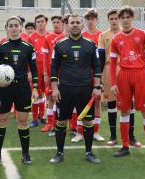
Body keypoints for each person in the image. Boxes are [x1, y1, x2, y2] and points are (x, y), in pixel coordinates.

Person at [110, 6, 145, 159]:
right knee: (125, 110)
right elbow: (113, 62)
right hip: (124, 76)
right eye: (123, 17)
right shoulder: (116, 39)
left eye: (128, 17)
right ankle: (125, 146)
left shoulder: (143, 35)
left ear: (132, 18)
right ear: (119, 20)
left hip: (140, 74)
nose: (125, 20)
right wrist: (112, 83)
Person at [49, 14, 102, 164]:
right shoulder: (59, 45)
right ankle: (59, 153)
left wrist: (97, 86)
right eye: (72, 23)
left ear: (82, 25)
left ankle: (89, 152)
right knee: (61, 121)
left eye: (78, 22)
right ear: (68, 25)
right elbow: (54, 68)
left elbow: (96, 66)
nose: (75, 25)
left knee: (87, 121)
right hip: (64, 89)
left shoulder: (91, 45)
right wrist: (54, 88)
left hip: (85, 89)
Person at [0, 16, 38, 166]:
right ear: (6, 28)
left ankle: (25, 153)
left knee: (23, 121)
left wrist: (36, 87)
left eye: (16, 25)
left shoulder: (28, 47)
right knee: (1, 120)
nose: (13, 28)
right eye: (10, 25)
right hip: (4, 90)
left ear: (21, 27)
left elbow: (34, 69)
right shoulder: (0, 47)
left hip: (23, 89)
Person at [98, 9, 141, 147]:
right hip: (108, 69)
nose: (114, 21)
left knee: (129, 103)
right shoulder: (103, 36)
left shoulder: (127, 34)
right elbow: (100, 57)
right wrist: (99, 76)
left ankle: (131, 136)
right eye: (111, 19)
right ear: (108, 20)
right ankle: (113, 136)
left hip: (125, 70)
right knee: (111, 103)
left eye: (116, 18)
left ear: (120, 19)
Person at [72, 9, 104, 143]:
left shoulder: (101, 36)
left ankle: (95, 132)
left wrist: (101, 76)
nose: (90, 21)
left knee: (97, 102)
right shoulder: (81, 35)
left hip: (97, 75)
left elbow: (103, 58)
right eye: (88, 19)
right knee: (79, 103)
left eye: (93, 18)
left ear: (97, 20)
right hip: (82, 75)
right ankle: (79, 132)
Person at [41, 15, 65, 134]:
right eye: (54, 22)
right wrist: (45, 73)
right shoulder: (48, 37)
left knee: (63, 98)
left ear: (63, 23)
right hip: (52, 71)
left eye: (58, 22)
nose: (56, 24)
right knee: (50, 97)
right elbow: (45, 57)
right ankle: (50, 123)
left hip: (65, 71)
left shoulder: (66, 36)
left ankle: (69, 124)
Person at [27, 15, 50, 127]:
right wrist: (29, 71)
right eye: (38, 22)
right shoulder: (31, 37)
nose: (40, 23)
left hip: (46, 69)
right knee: (35, 93)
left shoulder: (50, 36)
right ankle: (35, 119)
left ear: (46, 23)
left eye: (42, 21)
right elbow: (27, 56)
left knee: (44, 94)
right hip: (35, 68)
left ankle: (42, 116)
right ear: (35, 23)